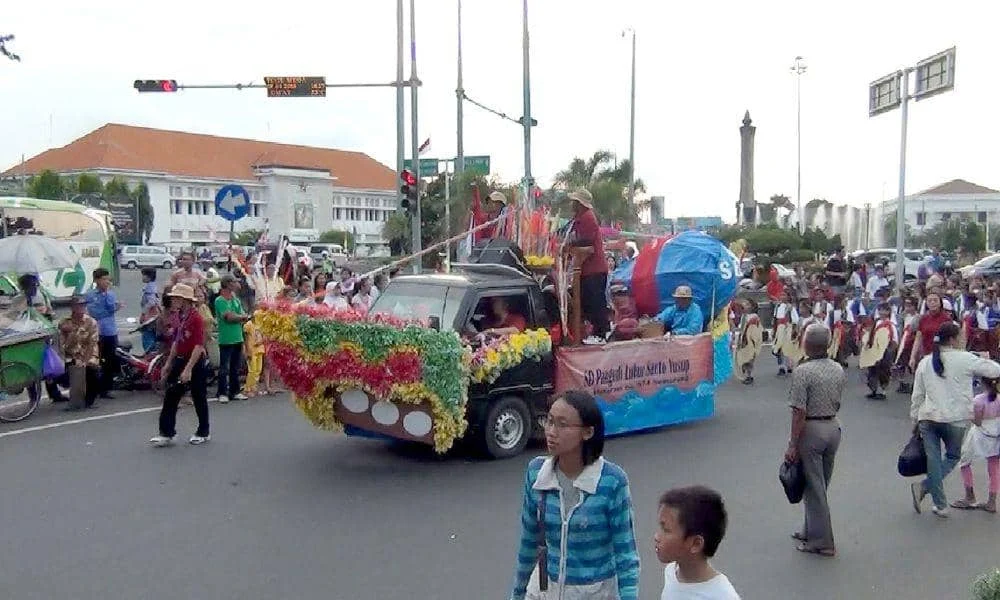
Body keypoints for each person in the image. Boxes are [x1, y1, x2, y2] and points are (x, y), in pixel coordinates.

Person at [510, 390, 640, 600]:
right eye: (549, 421)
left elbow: (626, 555)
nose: (551, 432)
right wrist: (517, 594)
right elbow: (529, 542)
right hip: (544, 591)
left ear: (587, 432)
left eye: (562, 425)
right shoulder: (536, 473)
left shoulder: (612, 481)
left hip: (594, 594)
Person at [909, 321, 1000, 517]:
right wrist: (984, 358)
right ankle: (924, 487)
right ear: (952, 339)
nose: (964, 338)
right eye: (961, 336)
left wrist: (914, 418)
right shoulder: (966, 358)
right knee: (951, 457)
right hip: (955, 420)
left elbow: (918, 394)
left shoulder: (926, 361)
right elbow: (995, 370)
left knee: (933, 460)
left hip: (928, 417)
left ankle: (939, 504)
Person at [786, 325, 844, 557]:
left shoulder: (803, 371)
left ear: (806, 344)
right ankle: (810, 529)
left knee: (813, 486)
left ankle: (822, 541)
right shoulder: (837, 368)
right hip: (832, 426)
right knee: (820, 485)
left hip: (812, 429)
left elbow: (799, 411)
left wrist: (792, 443)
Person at [150, 283, 211, 447]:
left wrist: (188, 369)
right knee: (171, 394)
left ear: (185, 300)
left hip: (195, 360)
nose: (174, 301)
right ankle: (167, 432)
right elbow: (176, 341)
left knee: (199, 396)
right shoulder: (178, 316)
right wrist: (168, 363)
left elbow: (198, 346)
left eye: (177, 298)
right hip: (181, 358)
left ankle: (203, 431)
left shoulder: (196, 318)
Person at [655, 485, 741, 600]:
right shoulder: (671, 572)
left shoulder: (723, 596)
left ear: (696, 544)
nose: (656, 536)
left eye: (666, 530)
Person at [566, 188, 610, 340]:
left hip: (594, 269)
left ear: (579, 203)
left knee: (595, 304)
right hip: (587, 270)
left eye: (574, 201)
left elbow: (585, 241)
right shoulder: (579, 218)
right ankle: (594, 333)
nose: (571, 204)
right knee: (588, 303)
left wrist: (569, 244)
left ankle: (600, 334)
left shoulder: (587, 218)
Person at [951, 376, 1000, 513]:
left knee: (965, 462)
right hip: (996, 434)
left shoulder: (978, 400)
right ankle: (992, 501)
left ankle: (969, 496)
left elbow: (977, 422)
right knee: (994, 467)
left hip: (979, 434)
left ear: (983, 382)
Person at [56, 295, 101, 411]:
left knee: (92, 369)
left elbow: (92, 344)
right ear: (72, 307)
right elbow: (61, 344)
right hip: (71, 354)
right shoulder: (64, 323)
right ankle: (70, 398)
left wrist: (84, 362)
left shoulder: (91, 322)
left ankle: (89, 401)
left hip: (87, 354)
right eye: (78, 306)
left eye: (83, 306)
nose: (81, 308)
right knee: (59, 372)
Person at [86, 267, 122, 399]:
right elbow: (94, 312)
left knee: (109, 360)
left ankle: (106, 388)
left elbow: (111, 308)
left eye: (108, 279)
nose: (107, 282)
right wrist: (113, 309)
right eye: (104, 279)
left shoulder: (110, 294)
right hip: (96, 331)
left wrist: (107, 296)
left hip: (110, 331)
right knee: (95, 360)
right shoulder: (90, 295)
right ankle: (93, 388)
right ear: (96, 280)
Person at [214, 275, 250, 404]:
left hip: (237, 337)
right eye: (234, 282)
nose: (236, 284)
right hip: (226, 338)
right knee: (224, 367)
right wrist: (241, 317)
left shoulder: (235, 299)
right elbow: (228, 317)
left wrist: (240, 317)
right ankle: (222, 392)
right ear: (228, 284)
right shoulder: (220, 300)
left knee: (235, 367)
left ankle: (235, 391)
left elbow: (241, 314)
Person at [859, 302, 899, 401]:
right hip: (874, 349)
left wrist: (891, 351)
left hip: (885, 351)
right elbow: (872, 334)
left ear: (888, 312)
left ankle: (882, 390)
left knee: (883, 370)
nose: (882, 312)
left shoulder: (890, 325)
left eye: (884, 310)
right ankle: (873, 389)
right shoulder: (876, 322)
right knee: (872, 369)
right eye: (880, 310)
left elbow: (894, 340)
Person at [909, 291, 952, 372]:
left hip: (943, 356)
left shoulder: (946, 319)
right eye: (930, 301)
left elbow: (951, 339)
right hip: (927, 355)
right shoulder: (923, 319)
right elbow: (918, 339)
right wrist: (912, 357)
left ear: (940, 303)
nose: (932, 303)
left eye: (935, 300)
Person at [732, 297, 762, 385]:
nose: (745, 306)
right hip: (743, 339)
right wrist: (739, 337)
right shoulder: (744, 317)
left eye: (748, 304)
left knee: (749, 358)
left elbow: (755, 330)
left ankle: (749, 376)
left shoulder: (754, 317)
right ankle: (746, 373)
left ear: (752, 306)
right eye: (745, 304)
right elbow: (741, 328)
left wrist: (753, 340)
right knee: (742, 358)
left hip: (750, 341)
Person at [772, 289, 800, 376]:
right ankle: (781, 367)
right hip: (779, 329)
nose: (782, 297)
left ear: (788, 297)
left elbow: (795, 320)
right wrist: (774, 331)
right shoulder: (778, 307)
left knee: (788, 348)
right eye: (781, 295)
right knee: (779, 348)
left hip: (788, 329)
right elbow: (775, 319)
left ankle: (789, 366)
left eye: (784, 295)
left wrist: (793, 330)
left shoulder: (790, 308)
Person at [243, 314, 266, 397]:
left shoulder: (260, 324)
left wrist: (262, 341)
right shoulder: (248, 324)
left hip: (260, 349)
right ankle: (247, 389)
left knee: (258, 370)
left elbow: (263, 335)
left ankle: (254, 387)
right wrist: (247, 350)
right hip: (251, 350)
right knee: (252, 370)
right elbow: (245, 337)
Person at [139, 268, 160, 353]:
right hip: (154, 316)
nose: (142, 277)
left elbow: (151, 302)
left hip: (150, 317)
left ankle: (149, 355)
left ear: (149, 277)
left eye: (143, 275)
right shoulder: (153, 286)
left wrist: (143, 314)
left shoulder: (150, 288)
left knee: (147, 338)